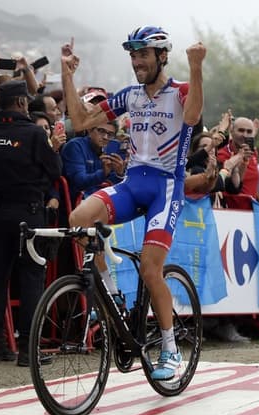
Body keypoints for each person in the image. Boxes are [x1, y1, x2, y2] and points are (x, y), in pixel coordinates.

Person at [61, 26, 206, 380]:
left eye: (143, 55)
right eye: (133, 55)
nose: (137, 61)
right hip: (133, 183)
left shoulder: (181, 92)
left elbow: (192, 118)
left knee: (150, 269)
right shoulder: (130, 96)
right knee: (79, 219)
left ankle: (170, 349)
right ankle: (112, 296)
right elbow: (79, 121)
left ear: (161, 56)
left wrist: (197, 67)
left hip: (165, 189)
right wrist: (67, 74)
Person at [0, 80, 62, 366]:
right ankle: (28, 349)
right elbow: (55, 169)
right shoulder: (35, 133)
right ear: (23, 103)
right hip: (29, 213)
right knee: (31, 279)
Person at [60, 119, 126, 204]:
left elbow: (114, 185)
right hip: (76, 201)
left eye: (110, 134)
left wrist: (119, 173)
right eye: (101, 131)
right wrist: (104, 173)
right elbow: (79, 181)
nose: (105, 137)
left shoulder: (110, 150)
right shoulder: (75, 146)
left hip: (101, 200)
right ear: (90, 130)